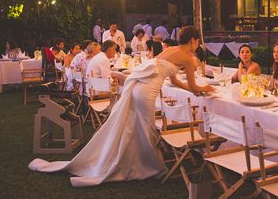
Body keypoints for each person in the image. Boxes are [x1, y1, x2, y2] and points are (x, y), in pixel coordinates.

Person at [29, 26, 214, 186]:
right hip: (147, 91)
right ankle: (145, 165)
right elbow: (193, 85)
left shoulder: (171, 50)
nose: (197, 46)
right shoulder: (188, 59)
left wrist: (194, 89)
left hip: (138, 88)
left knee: (136, 127)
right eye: (198, 42)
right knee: (145, 129)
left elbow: (173, 79)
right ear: (192, 40)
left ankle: (137, 161)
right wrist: (203, 88)